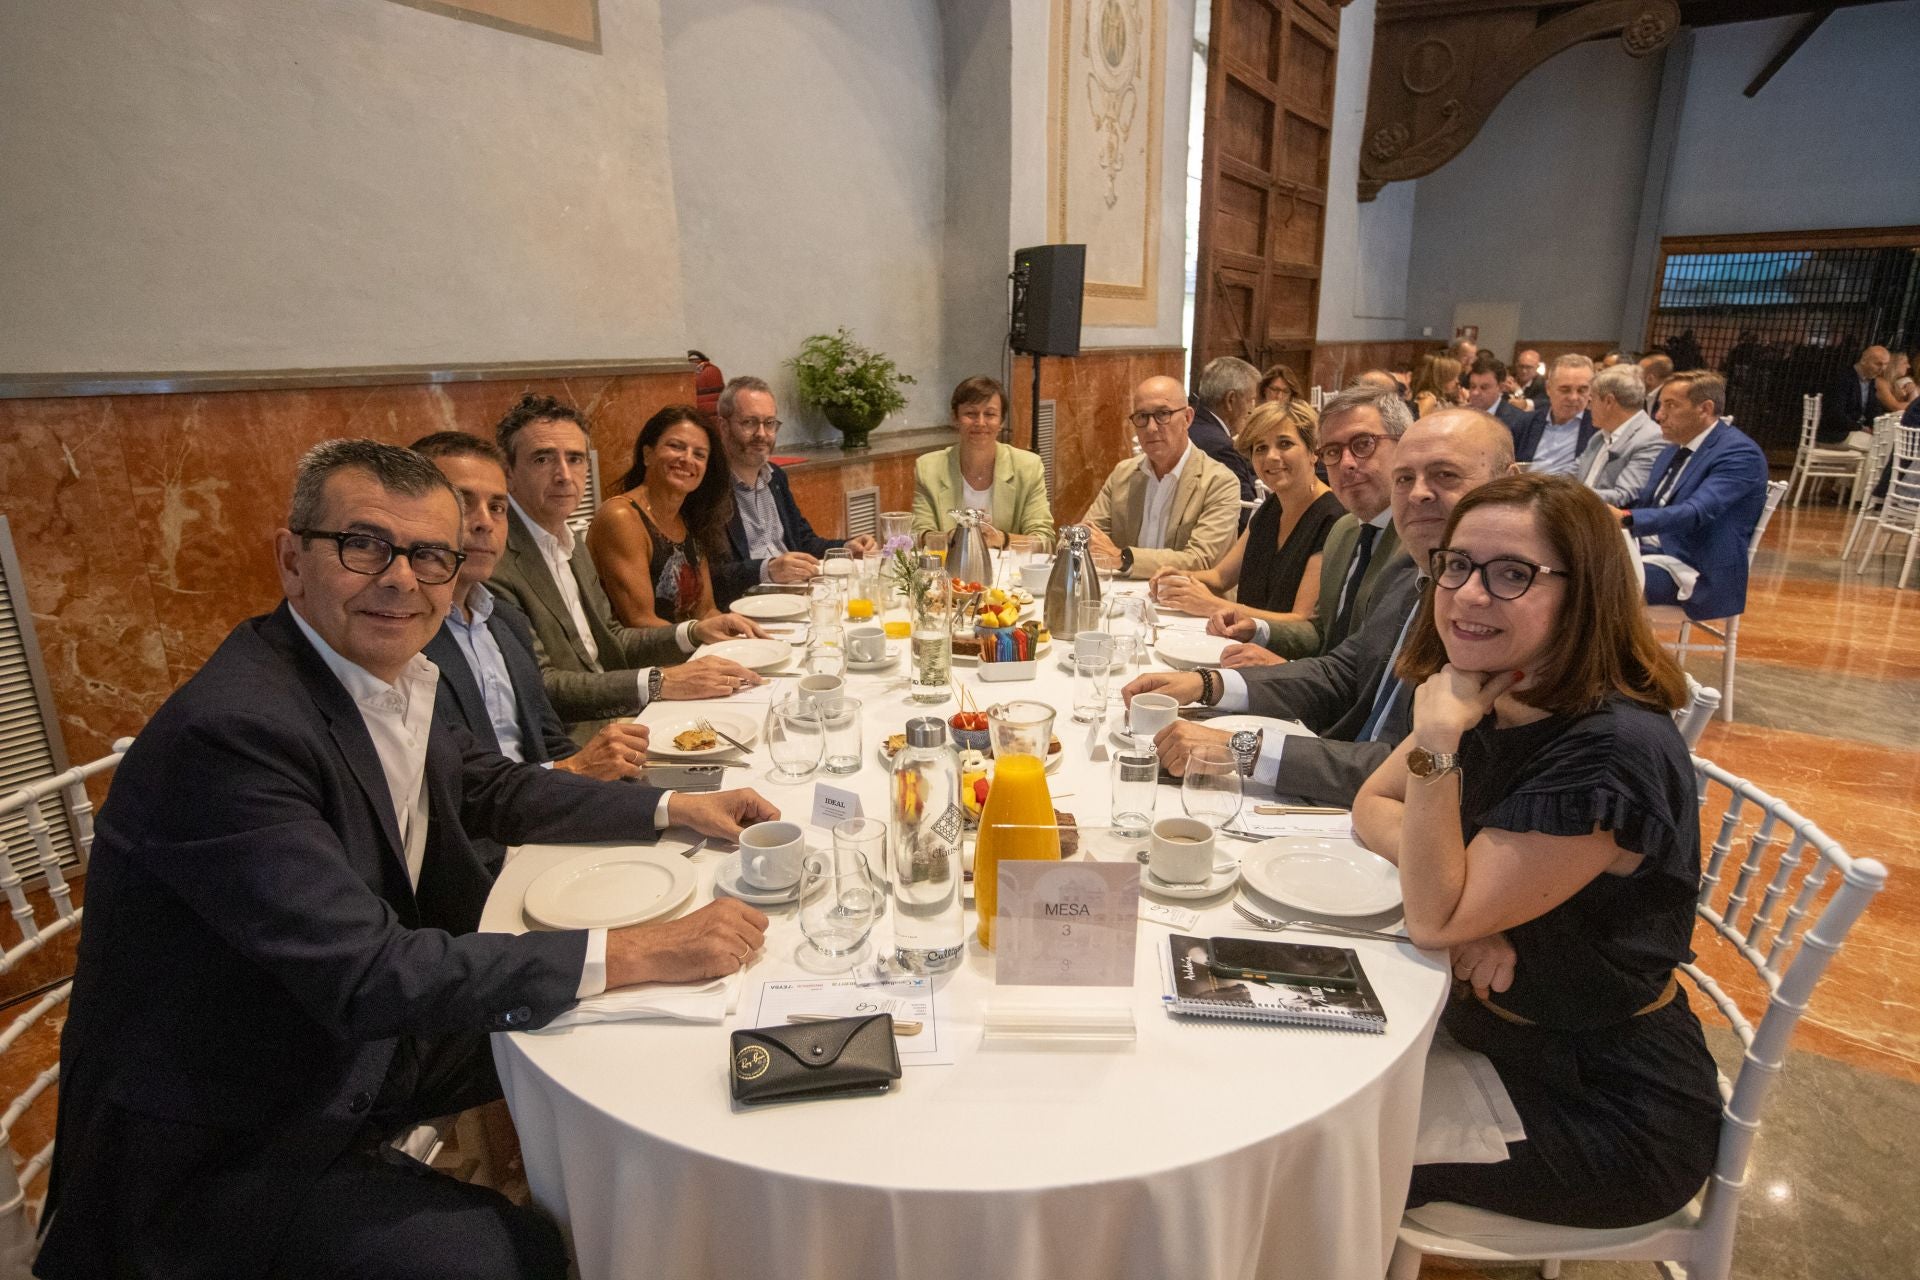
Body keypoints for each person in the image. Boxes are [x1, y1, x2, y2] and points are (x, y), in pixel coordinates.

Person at [39, 440, 778, 1280]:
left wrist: (674, 808)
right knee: (514, 1256)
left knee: (630, 1035)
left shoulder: (379, 677)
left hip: (352, 1041)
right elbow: (368, 973)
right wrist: (641, 948)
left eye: (429, 555)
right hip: (233, 1135)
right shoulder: (234, 734)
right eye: (364, 545)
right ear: (291, 559)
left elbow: (495, 788)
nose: (401, 579)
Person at [1353, 473, 1720, 1228]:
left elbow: (1430, 917)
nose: (1469, 594)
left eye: (1512, 574)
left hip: (1605, 1105)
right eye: (1457, 565)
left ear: (1585, 593)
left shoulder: (1610, 752)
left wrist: (1437, 743)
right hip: (1504, 1038)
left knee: (1332, 1152)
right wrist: (1471, 911)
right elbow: (1373, 806)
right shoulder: (1498, 686)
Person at [1123, 407, 1516, 806]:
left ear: (1508, 484)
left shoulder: (1504, 613)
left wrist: (1245, 749)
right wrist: (1208, 684)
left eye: (1445, 475)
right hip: (1341, 783)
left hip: (1394, 812)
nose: (1418, 493)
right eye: (1404, 478)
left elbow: (1420, 764)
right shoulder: (1408, 571)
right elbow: (1342, 672)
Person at [484, 394, 766, 744]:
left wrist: (694, 632)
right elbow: (542, 686)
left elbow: (613, 637)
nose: (564, 475)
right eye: (542, 459)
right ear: (508, 473)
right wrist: (659, 682)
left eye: (575, 459)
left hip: (618, 712)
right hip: (573, 739)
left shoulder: (569, 541)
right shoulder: (495, 561)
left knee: (759, 717)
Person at [412, 432, 652, 813]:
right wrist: (573, 770)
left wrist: (647, 799)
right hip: (491, 831)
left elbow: (548, 739)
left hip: (546, 806)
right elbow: (451, 788)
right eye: (462, 502)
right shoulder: (404, 634)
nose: (484, 522)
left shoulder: (504, 620)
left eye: (497, 507)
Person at [1208, 383, 1415, 667]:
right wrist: (1259, 629)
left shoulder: (1417, 545)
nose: (1347, 463)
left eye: (1363, 444)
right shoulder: (1346, 531)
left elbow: (1373, 669)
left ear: (1405, 447)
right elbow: (1322, 633)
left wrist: (1284, 669)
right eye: (1333, 450)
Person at [1147, 401, 1342, 630]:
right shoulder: (1270, 509)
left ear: (1313, 452)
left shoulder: (1333, 518)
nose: (1271, 456)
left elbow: (1300, 621)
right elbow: (1220, 577)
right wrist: (1180, 577)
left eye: (1285, 444)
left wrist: (1212, 605)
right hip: (1243, 642)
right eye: (1260, 448)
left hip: (1279, 651)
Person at [1613, 370, 1770, 623]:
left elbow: (1695, 512)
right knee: (1569, 561)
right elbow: (1647, 503)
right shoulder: (1674, 448)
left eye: (1671, 405)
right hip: (1650, 551)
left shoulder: (1739, 454)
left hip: (1696, 570)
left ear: (1705, 409)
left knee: (1595, 578)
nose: (1658, 415)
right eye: (1660, 405)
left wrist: (1626, 518)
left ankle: (1612, 648)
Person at [711, 376, 875, 608]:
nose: (762, 434)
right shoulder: (708, 487)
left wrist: (846, 547)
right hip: (747, 607)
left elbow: (804, 542)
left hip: (795, 597)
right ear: (723, 426)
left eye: (769, 423)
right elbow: (712, 576)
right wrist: (767, 570)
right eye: (749, 422)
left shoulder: (775, 478)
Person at [1082, 375, 1243, 578]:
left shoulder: (1219, 482)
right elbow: (1089, 534)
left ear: (1187, 418)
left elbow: (1200, 560)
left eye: (1163, 414)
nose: (1151, 427)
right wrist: (1077, 540)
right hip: (1124, 593)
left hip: (1188, 595)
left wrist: (1122, 558)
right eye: (1142, 416)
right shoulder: (1123, 474)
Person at [587, 405, 731, 627]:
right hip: (639, 649)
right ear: (647, 454)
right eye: (676, 446)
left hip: (688, 644)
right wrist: (699, 636)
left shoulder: (689, 518)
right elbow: (640, 622)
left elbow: (706, 611)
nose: (687, 459)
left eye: (699, 454)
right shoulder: (621, 517)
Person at [910, 375, 1055, 548]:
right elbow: (919, 535)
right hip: (949, 564)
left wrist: (1001, 539)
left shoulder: (1028, 467)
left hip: (1008, 565)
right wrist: (951, 537)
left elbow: (1044, 540)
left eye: (990, 414)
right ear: (955, 418)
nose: (980, 422)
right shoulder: (928, 468)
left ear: (1001, 421)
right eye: (970, 414)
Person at [1573, 364, 1668, 506]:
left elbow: (1624, 496)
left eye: (1591, 400)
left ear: (1609, 401)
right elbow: (1572, 473)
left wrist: (1570, 497)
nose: (1588, 407)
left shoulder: (1652, 439)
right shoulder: (1600, 436)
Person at [1187, 356, 1262, 510]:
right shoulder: (1221, 448)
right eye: (1250, 400)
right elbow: (1247, 512)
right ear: (1230, 400)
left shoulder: (1191, 426)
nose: (1252, 409)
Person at [1510, 354, 1597, 476]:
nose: (1573, 397)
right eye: (1565, 389)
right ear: (1548, 388)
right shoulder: (1525, 423)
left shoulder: (1598, 430)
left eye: (1582, 390)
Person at [1819, 345, 1887, 443]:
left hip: (1855, 429)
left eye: (1886, 364)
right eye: (1878, 364)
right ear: (1863, 360)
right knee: (1877, 446)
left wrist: (1879, 426)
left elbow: (1873, 409)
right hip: (1836, 433)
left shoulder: (1870, 380)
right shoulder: (1843, 378)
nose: (1882, 369)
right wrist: (1861, 428)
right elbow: (1835, 414)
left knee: (1885, 441)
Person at [1463, 357, 1526, 432]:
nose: (1475, 393)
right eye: (1473, 386)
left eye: (1484, 388)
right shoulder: (1462, 415)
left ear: (1501, 387)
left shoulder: (1518, 420)